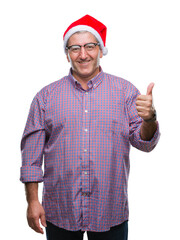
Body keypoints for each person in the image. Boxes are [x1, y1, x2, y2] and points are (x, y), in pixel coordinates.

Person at [20, 15, 160, 240]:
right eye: (75, 48)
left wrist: (150, 119)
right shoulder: (46, 97)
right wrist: (33, 201)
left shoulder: (125, 92)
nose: (83, 54)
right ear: (67, 54)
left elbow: (144, 143)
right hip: (60, 210)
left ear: (101, 50)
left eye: (89, 46)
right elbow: (31, 156)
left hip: (110, 209)